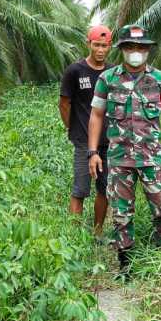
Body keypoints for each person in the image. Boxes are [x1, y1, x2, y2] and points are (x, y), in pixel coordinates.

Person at [87, 25, 161, 278]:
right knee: (121, 215)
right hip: (119, 159)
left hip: (151, 158)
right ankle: (126, 266)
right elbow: (96, 115)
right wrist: (92, 152)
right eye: (131, 47)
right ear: (122, 50)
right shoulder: (107, 79)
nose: (136, 52)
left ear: (147, 51)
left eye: (141, 48)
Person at [59, 25, 113, 236]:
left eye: (105, 46)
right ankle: (75, 237)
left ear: (109, 47)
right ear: (88, 43)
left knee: (104, 188)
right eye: (96, 45)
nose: (100, 50)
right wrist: (72, 128)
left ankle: (97, 231)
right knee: (80, 189)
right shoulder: (75, 71)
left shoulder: (113, 72)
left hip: (108, 141)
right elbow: (64, 103)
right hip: (83, 140)